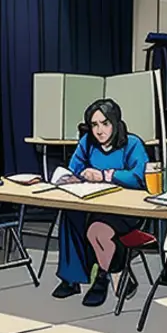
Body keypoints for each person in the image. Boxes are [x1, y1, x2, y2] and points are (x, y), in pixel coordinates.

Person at [51, 99, 149, 307]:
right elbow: (74, 167)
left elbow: (139, 177)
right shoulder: (87, 142)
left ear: (115, 122)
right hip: (93, 202)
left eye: (105, 123)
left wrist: (106, 175)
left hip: (125, 209)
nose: (99, 130)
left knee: (97, 231)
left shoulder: (132, 144)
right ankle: (72, 278)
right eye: (94, 125)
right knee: (70, 215)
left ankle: (103, 276)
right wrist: (76, 177)